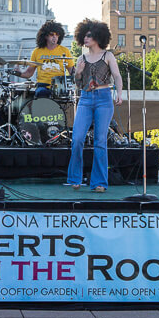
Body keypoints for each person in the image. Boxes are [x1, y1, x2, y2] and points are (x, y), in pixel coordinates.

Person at [67, 19, 123, 192]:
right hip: (85, 98)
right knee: (77, 139)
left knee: (100, 141)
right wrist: (78, 72)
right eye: (84, 35)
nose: (86, 38)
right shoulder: (81, 58)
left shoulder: (108, 56)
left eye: (89, 36)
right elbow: (77, 83)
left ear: (98, 37)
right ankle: (75, 178)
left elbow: (117, 76)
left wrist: (119, 93)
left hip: (104, 99)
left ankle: (99, 183)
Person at [14, 20, 75, 98]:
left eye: (57, 35)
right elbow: (29, 73)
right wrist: (18, 73)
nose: (54, 37)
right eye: (52, 34)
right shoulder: (37, 51)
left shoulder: (65, 51)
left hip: (59, 86)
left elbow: (72, 71)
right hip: (42, 86)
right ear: (45, 36)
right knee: (41, 93)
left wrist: (80, 73)